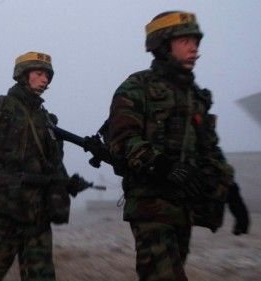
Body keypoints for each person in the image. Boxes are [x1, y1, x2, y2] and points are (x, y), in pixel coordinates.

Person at [106, 11, 249, 280]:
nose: (194, 47)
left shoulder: (196, 97)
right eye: (185, 40)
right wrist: (161, 165)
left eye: (196, 40)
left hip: (183, 206)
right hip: (151, 204)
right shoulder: (138, 87)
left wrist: (231, 190)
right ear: (162, 43)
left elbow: (210, 149)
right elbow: (123, 139)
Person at [0, 51, 88, 281]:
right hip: (3, 210)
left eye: (47, 75)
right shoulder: (1, 107)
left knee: (42, 275)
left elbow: (53, 162)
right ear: (23, 75)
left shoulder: (46, 119)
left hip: (37, 213)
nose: (45, 79)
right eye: (39, 73)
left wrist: (67, 182)